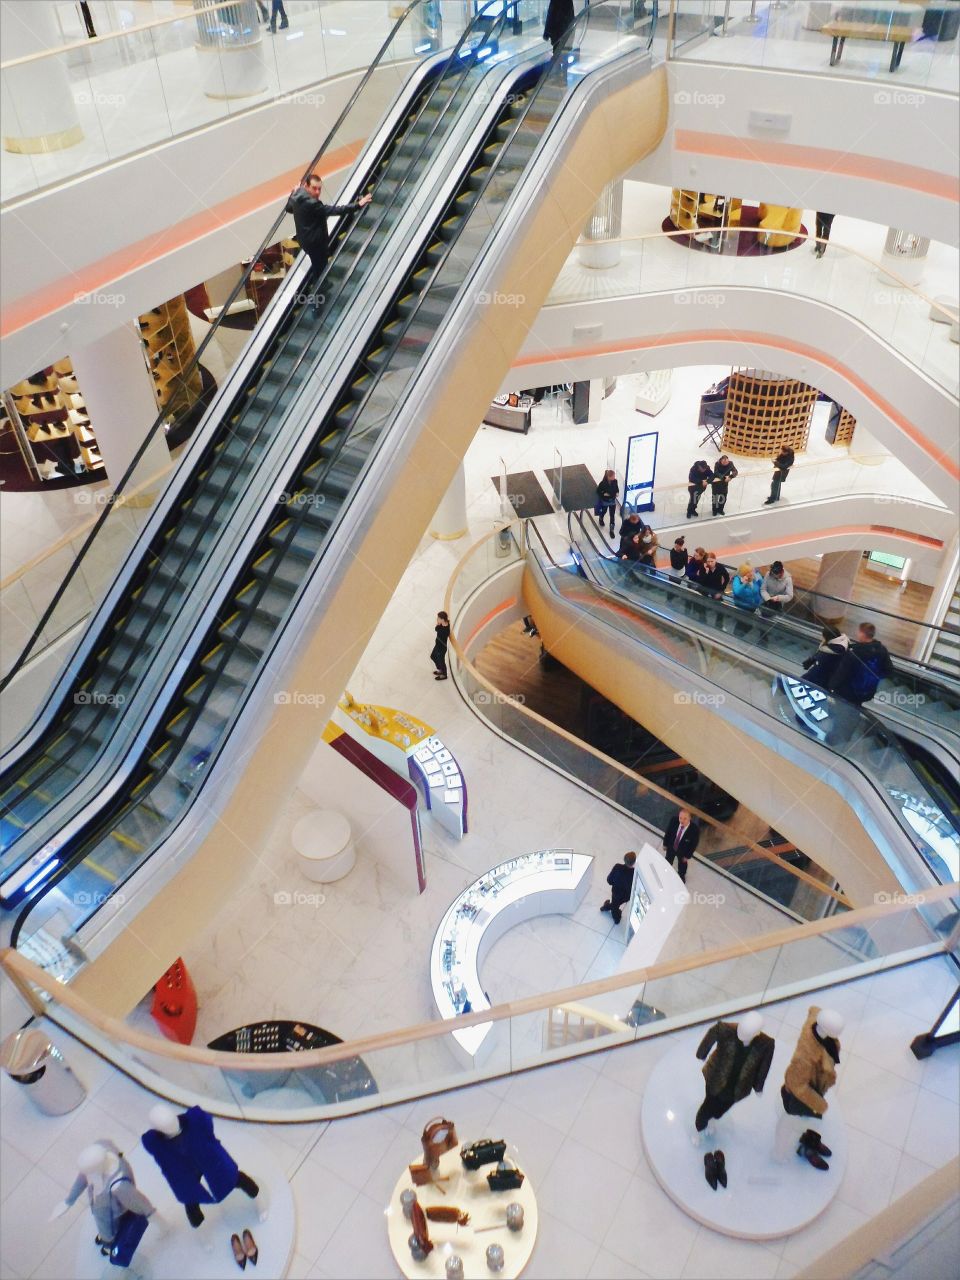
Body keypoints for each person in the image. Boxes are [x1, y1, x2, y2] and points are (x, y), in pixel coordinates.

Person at [286, 173, 372, 313]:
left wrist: (292, 194)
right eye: (314, 188)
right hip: (315, 243)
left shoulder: (297, 195)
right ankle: (317, 303)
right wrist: (358, 205)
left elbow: (289, 209)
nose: (318, 192)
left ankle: (323, 284)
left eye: (319, 189)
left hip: (305, 241)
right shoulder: (312, 203)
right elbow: (335, 210)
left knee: (318, 266)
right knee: (319, 270)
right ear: (306, 186)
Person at [829, 622, 894, 706]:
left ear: (863, 634)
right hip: (868, 692)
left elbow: (841, 673)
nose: (857, 634)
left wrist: (831, 687)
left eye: (859, 632)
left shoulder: (854, 653)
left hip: (849, 692)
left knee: (844, 708)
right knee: (856, 705)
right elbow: (889, 670)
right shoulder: (882, 650)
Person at [801, 626, 849, 690]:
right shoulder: (843, 644)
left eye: (823, 636)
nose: (822, 638)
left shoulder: (828, 652)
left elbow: (817, 670)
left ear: (827, 637)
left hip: (821, 679)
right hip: (831, 678)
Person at [663, 809, 699, 883]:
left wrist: (687, 856)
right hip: (671, 847)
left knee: (682, 865)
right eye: (680, 818)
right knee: (668, 860)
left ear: (689, 818)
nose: (682, 821)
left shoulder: (694, 829)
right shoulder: (674, 820)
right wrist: (665, 844)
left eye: (685, 818)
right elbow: (668, 832)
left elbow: (693, 844)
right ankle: (666, 871)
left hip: (683, 851)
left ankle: (681, 875)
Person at [601, 850, 637, 925]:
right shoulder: (635, 873)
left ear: (624, 859)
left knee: (615, 905)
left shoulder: (617, 867)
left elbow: (609, 880)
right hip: (626, 896)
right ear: (634, 862)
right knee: (615, 904)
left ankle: (615, 917)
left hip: (616, 892)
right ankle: (608, 907)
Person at [595, 469, 619, 537]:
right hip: (605, 501)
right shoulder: (602, 483)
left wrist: (617, 492)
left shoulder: (615, 481)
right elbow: (598, 491)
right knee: (604, 511)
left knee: (612, 515)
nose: (614, 477)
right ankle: (601, 518)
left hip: (612, 500)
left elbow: (616, 488)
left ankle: (612, 530)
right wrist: (603, 494)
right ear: (609, 477)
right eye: (613, 476)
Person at [430, 610, 450, 680]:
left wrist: (438, 625)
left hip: (441, 648)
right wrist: (439, 624)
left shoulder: (446, 630)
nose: (437, 619)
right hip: (437, 645)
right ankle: (440, 669)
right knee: (432, 656)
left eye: (438, 618)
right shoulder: (442, 624)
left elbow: (437, 630)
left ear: (442, 619)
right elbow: (436, 629)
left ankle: (444, 675)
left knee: (441, 661)